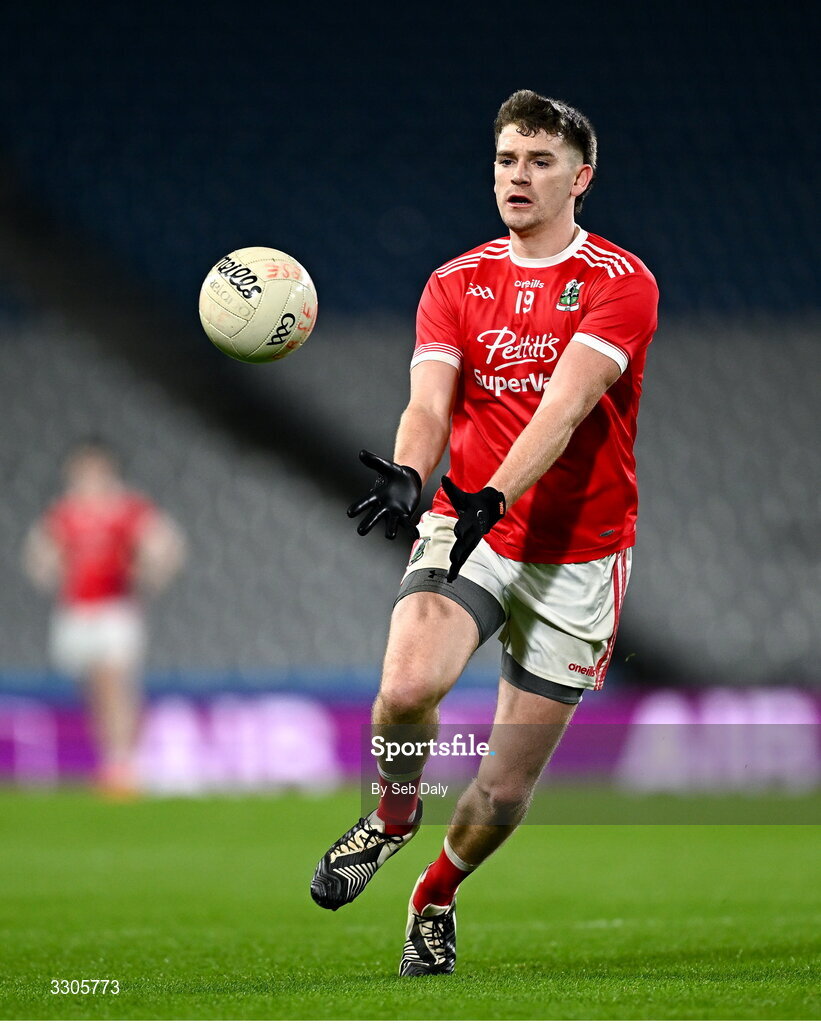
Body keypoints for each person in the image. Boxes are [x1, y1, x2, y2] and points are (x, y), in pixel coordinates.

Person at [310, 89, 658, 975]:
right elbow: (429, 402)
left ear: (580, 177)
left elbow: (566, 406)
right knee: (403, 689)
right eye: (507, 159)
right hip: (468, 526)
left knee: (501, 787)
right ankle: (390, 814)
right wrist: (407, 471)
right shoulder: (455, 282)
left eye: (540, 161)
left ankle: (435, 894)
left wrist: (494, 494)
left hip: (577, 551)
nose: (518, 175)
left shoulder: (620, 281)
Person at [22, 438, 186, 797]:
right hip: (77, 610)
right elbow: (39, 553)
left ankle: (124, 763)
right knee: (96, 689)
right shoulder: (65, 513)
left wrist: (149, 573)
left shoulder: (127, 509)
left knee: (114, 680)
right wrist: (50, 572)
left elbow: (166, 544)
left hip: (115, 608)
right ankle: (113, 760)